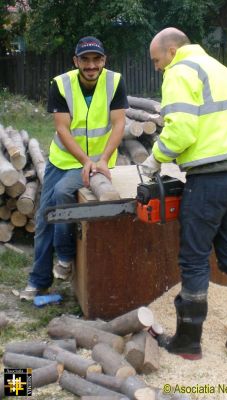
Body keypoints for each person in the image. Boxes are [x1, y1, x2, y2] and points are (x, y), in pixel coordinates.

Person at [141, 27, 227, 360]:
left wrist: (155, 158)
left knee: (194, 257)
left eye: (156, 60)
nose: (157, 67)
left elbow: (182, 131)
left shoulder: (180, 72)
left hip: (210, 179)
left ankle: (188, 341)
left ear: (171, 51)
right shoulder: (221, 70)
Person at [20, 36, 128, 300]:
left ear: (104, 60)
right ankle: (39, 281)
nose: (91, 65)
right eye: (85, 60)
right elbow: (62, 129)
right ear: (76, 61)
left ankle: (66, 258)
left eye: (96, 59)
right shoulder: (61, 84)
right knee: (46, 216)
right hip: (65, 159)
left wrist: (101, 160)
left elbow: (118, 124)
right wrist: (84, 161)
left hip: (100, 161)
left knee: (62, 196)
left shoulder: (114, 81)